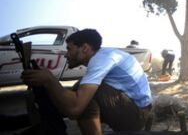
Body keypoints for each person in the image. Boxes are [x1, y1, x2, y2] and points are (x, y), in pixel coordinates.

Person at [21, 29, 152, 134]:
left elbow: (75, 109)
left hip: (139, 115)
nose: (66, 54)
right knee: (81, 87)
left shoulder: (102, 59)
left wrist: (49, 80)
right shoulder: (103, 56)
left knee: (85, 99)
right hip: (136, 108)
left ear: (84, 48)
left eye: (69, 49)